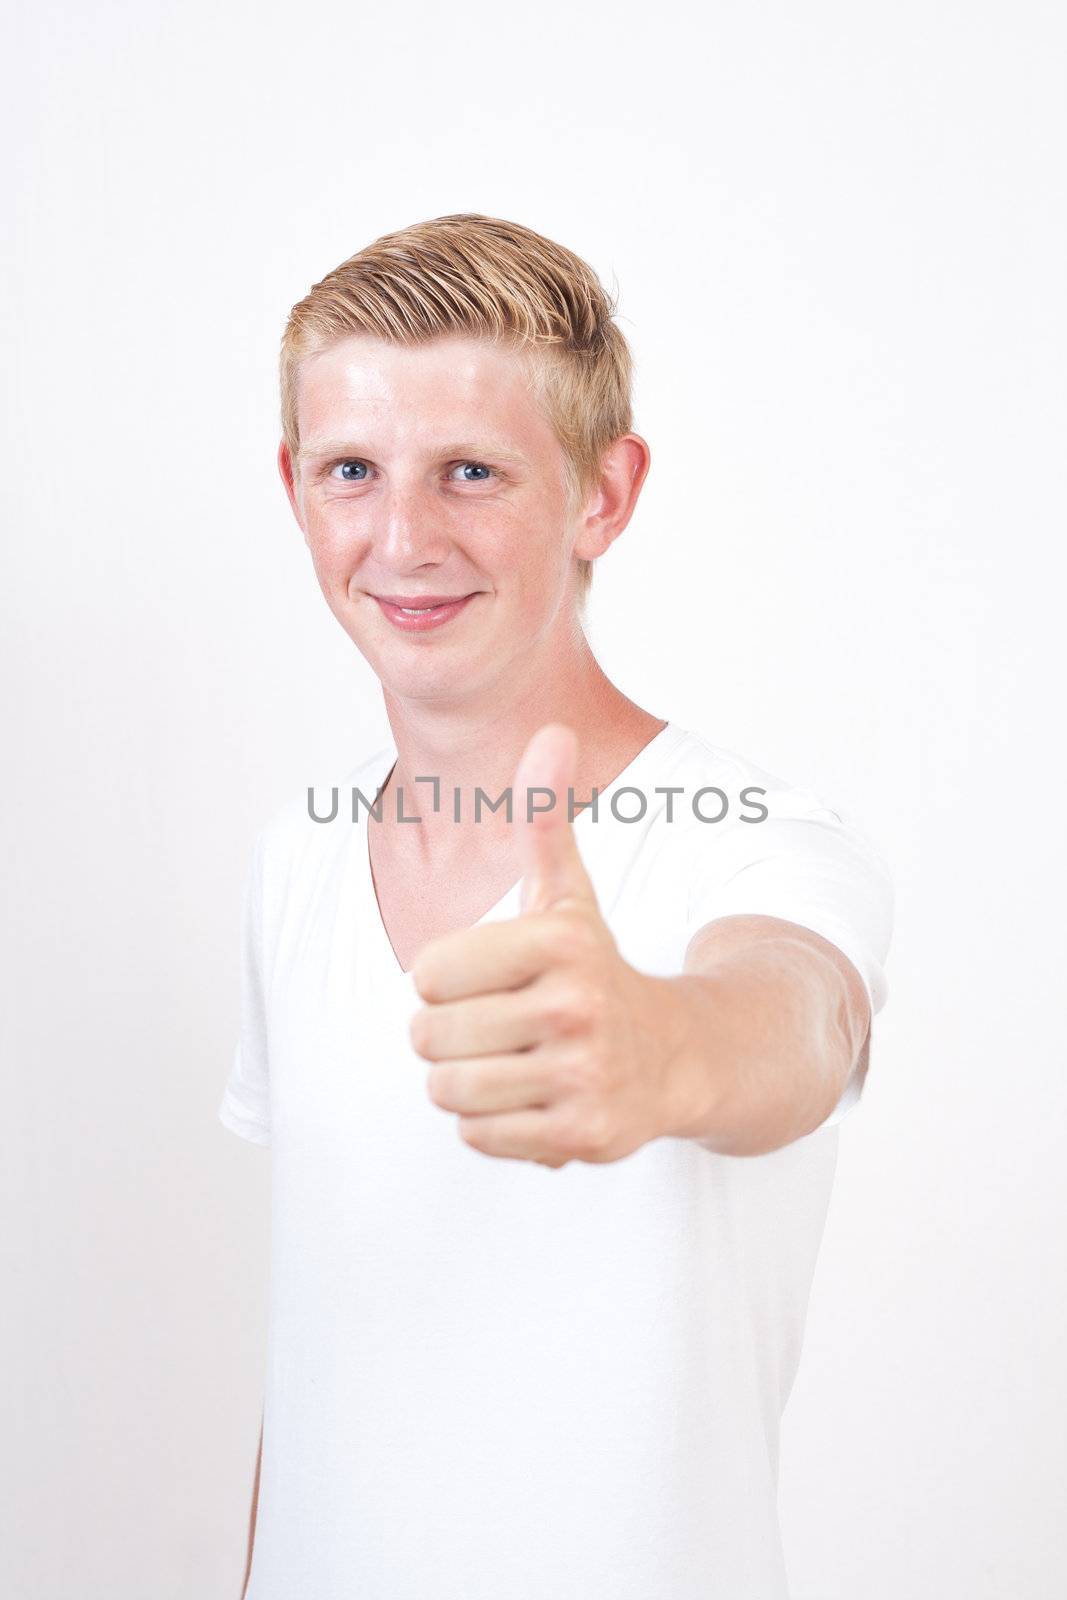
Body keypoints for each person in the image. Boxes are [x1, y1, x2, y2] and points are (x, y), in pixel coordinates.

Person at [217, 213, 894, 1600]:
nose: (403, 537)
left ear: (603, 493)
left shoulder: (760, 842)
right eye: (354, 470)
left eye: (472, 472)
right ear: (296, 489)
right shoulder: (298, 856)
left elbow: (798, 1015)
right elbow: (322, 1359)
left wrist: (659, 1046)